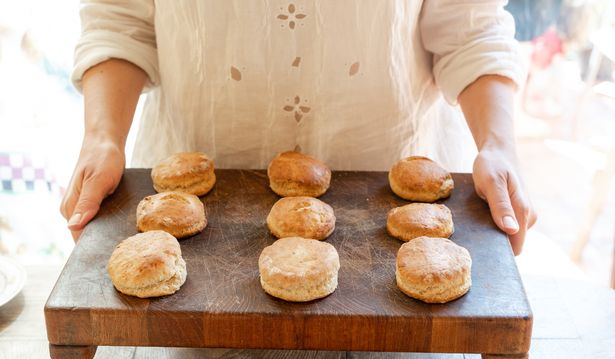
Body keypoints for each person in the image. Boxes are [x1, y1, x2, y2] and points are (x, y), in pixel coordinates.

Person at [61, 1, 537, 254]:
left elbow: (470, 29)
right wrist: (101, 138)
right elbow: (119, 21)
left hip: (386, 186)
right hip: (196, 180)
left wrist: (499, 146)